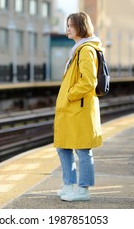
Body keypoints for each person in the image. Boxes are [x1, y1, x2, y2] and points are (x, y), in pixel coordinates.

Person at [54, 11, 104, 201]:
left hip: (79, 108)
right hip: (72, 108)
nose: (67, 29)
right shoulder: (78, 49)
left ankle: (83, 190)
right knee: (63, 146)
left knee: (82, 149)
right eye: (67, 25)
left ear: (80, 27)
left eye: (70, 26)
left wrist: (69, 95)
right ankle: (68, 185)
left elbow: (89, 81)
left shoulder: (86, 50)